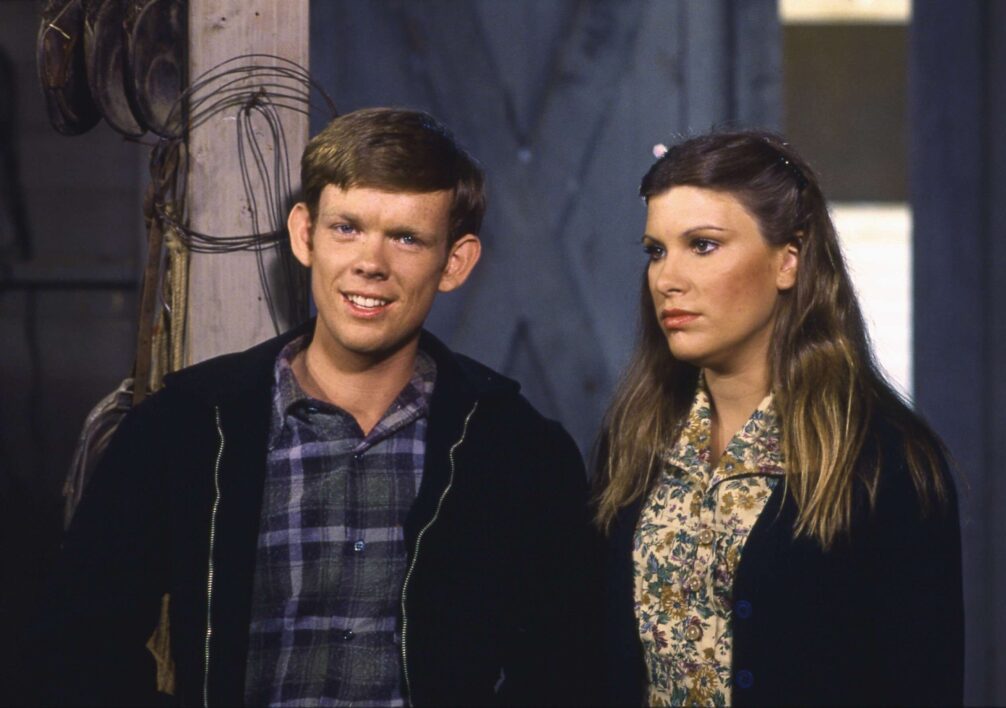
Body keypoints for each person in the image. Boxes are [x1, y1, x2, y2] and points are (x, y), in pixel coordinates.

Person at [35, 108, 597, 706]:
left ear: (454, 262)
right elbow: (79, 642)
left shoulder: (515, 450)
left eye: (407, 237)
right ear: (305, 234)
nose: (371, 264)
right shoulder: (189, 425)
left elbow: (565, 672)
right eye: (347, 228)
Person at [595, 131, 963, 706]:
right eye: (656, 250)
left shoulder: (883, 459)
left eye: (704, 245)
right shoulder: (637, 443)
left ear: (788, 261)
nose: (667, 279)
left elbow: (921, 683)